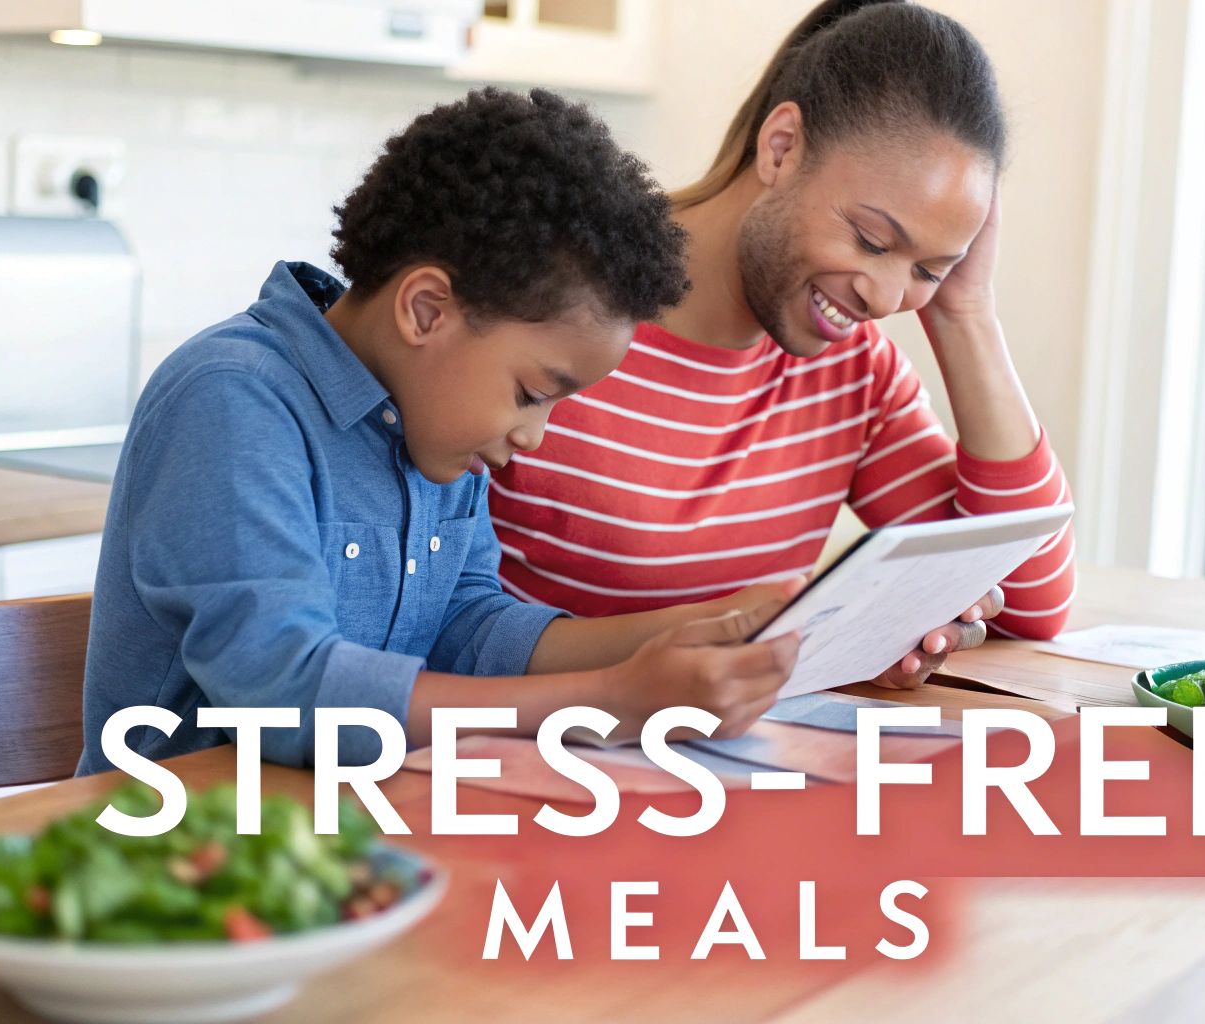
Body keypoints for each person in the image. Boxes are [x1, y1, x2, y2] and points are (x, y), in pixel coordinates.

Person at [77, 88, 805, 774]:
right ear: (427, 310)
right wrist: (609, 701)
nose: (536, 436)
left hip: (352, 839)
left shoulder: (430, 428)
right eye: (531, 394)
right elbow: (285, 690)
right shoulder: (236, 400)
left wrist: (706, 624)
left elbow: (470, 629)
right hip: (174, 857)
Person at [491, 0, 1076, 688]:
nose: (886, 301)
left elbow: (1032, 598)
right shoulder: (551, 310)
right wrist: (762, 630)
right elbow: (432, 620)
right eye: (873, 240)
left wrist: (965, 313)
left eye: (926, 269)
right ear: (782, 147)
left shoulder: (853, 371)